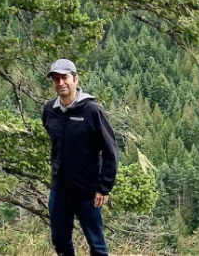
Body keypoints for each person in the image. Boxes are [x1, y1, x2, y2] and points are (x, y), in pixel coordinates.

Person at [42, 58, 119, 256]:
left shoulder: (92, 110)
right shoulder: (49, 110)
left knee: (97, 245)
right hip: (60, 189)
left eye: (64, 78)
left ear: (75, 79)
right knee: (60, 241)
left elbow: (110, 151)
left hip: (88, 191)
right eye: (56, 79)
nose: (60, 83)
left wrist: (104, 187)